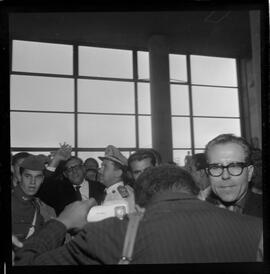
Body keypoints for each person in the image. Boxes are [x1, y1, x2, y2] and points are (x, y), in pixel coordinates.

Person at [14, 165, 262, 265]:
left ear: (139, 204)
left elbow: (25, 261)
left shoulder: (109, 234)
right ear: (197, 193)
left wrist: (62, 222)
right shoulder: (256, 229)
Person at [205, 134, 262, 217]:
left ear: (249, 173)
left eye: (235, 166)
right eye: (216, 167)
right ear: (208, 173)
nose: (225, 176)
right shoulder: (196, 214)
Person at [12, 155, 55, 243]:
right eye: (28, 176)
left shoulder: (43, 207)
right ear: (20, 177)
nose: (33, 182)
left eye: (38, 177)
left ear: (42, 179)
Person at [98, 145, 136, 213]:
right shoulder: (112, 192)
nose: (99, 171)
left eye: (105, 167)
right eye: (101, 166)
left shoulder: (119, 197)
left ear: (118, 173)